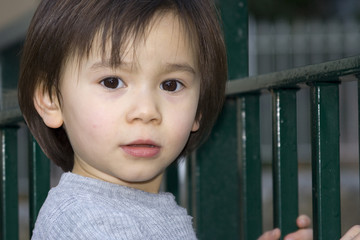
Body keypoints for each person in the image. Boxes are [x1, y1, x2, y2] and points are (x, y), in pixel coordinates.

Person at [18, 0, 315, 239]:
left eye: (171, 85)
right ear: (50, 99)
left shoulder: (126, 209)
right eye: (112, 82)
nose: (146, 111)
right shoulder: (88, 223)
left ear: (198, 108)